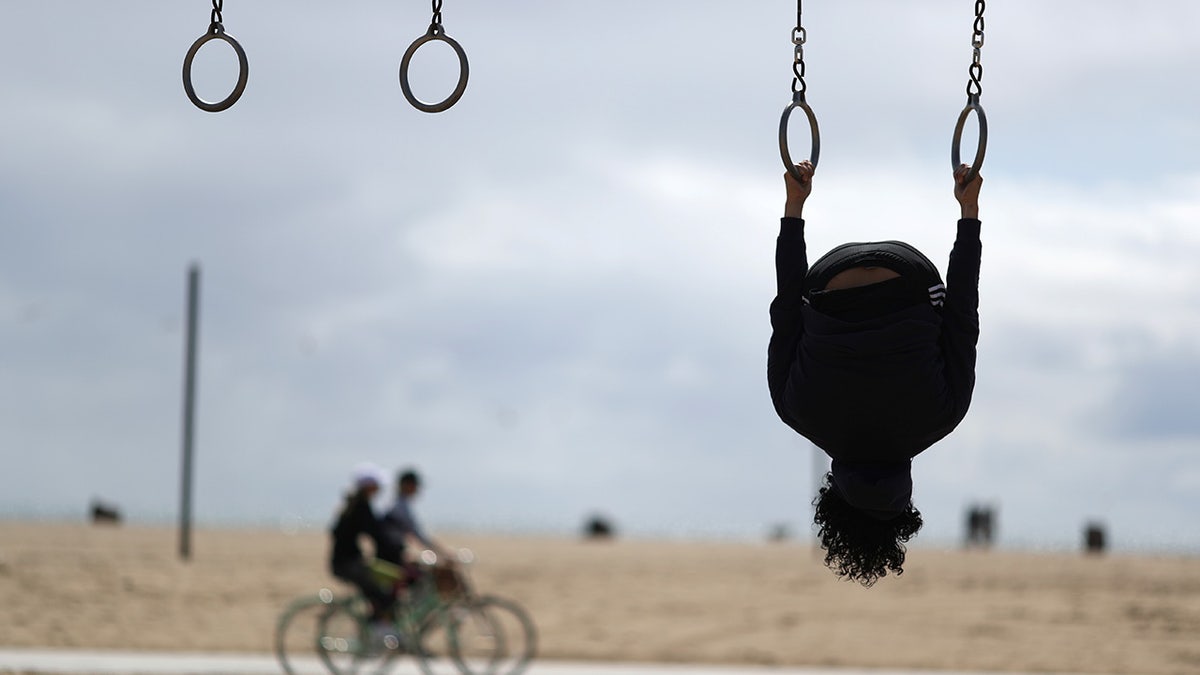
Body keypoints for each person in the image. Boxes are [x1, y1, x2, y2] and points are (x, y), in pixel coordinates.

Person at [767, 160, 983, 586]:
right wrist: (794, 206)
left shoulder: (946, 416)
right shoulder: (794, 412)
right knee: (805, 318)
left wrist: (968, 212)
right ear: (833, 495)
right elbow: (786, 308)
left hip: (909, 278)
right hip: (829, 282)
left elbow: (963, 316)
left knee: (940, 327)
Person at [329, 462, 396, 641]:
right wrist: (398, 551)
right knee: (380, 592)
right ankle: (373, 632)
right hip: (348, 563)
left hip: (347, 560)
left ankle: (374, 629)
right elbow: (377, 534)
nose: (380, 489)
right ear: (368, 487)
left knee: (381, 586)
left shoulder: (354, 504)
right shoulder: (361, 507)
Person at [379, 468, 452, 567]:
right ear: (407, 485)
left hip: (391, 552)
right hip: (391, 556)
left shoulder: (395, 503)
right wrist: (443, 552)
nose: (417, 489)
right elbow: (417, 534)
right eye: (415, 485)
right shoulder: (398, 507)